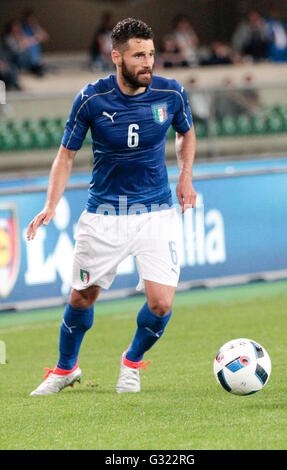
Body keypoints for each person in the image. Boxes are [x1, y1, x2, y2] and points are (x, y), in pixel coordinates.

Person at [27, 18, 196, 396]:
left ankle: (132, 362)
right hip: (104, 215)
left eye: (151, 54)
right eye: (139, 55)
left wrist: (186, 175)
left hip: (156, 212)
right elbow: (65, 155)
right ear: (116, 56)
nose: (148, 62)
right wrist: (50, 205)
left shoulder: (171, 93)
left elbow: (186, 132)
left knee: (161, 304)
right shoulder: (91, 98)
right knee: (81, 297)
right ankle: (65, 368)